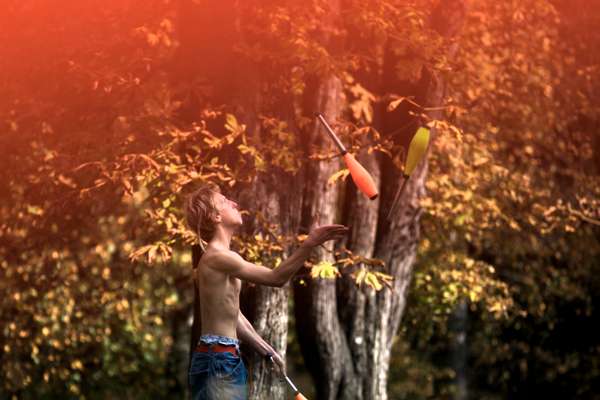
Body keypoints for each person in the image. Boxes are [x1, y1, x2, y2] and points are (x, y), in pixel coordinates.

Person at [185, 184, 348, 400]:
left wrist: (265, 349)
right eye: (224, 201)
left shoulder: (219, 258)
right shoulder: (218, 257)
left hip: (221, 358)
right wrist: (310, 243)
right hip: (219, 362)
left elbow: (233, 315)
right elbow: (276, 278)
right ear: (215, 216)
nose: (234, 203)